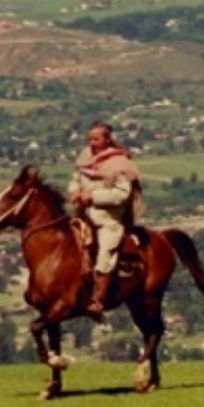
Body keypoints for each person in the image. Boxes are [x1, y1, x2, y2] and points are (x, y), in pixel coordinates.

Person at [68, 119, 144, 317]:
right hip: (83, 215)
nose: (92, 143)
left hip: (108, 218)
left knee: (105, 251)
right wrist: (75, 192)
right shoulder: (85, 157)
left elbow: (121, 194)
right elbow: (75, 180)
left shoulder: (120, 164)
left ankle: (98, 298)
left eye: (96, 139)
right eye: (90, 139)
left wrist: (93, 197)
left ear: (107, 139)